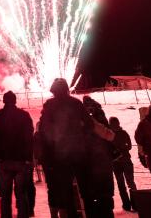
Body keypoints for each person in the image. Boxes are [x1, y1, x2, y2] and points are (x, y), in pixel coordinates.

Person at [38, 78, 93, 218]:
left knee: (66, 191)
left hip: (61, 155)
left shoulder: (50, 105)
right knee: (86, 189)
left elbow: (44, 130)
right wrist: (82, 139)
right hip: (79, 151)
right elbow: (89, 125)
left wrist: (50, 150)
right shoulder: (76, 103)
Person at [0, 90, 33, 218]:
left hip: (4, 161)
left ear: (4, 100)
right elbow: (29, 138)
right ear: (15, 100)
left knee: (5, 196)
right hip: (21, 161)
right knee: (21, 194)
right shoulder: (24, 115)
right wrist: (29, 158)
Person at [109, 117, 136, 212]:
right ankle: (134, 204)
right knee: (130, 183)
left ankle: (127, 205)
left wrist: (118, 150)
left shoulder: (110, 135)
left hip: (118, 162)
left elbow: (128, 146)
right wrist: (123, 149)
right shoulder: (123, 133)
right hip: (124, 161)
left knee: (123, 184)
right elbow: (129, 146)